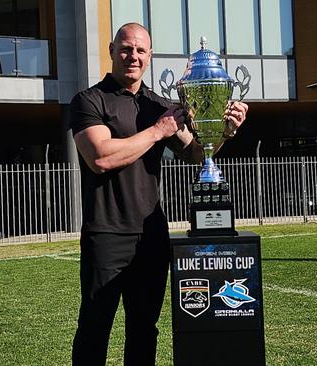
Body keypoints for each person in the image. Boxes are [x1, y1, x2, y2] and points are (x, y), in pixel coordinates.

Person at [69, 22, 249, 365]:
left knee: (144, 329)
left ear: (149, 56)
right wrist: (156, 131)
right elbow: (101, 157)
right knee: (94, 326)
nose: (132, 56)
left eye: (140, 50)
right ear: (111, 50)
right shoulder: (89, 100)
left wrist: (224, 131)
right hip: (106, 234)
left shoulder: (159, 105)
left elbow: (198, 154)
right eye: (125, 48)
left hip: (151, 236)